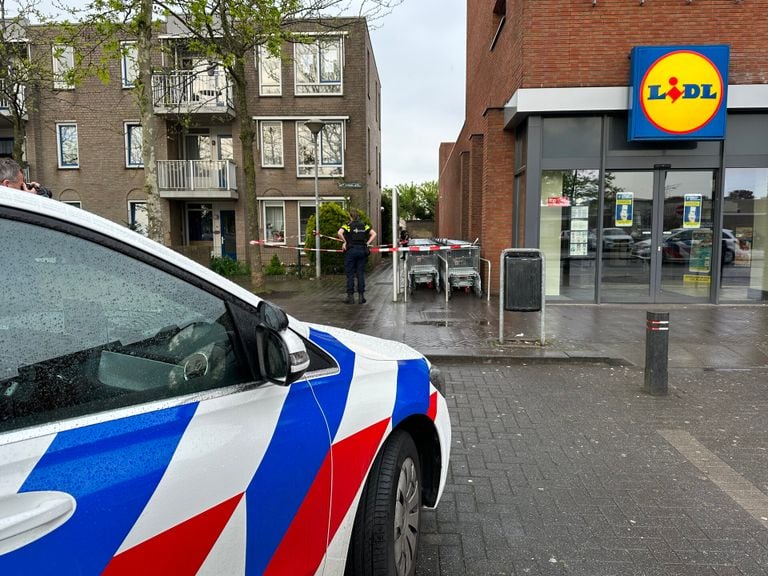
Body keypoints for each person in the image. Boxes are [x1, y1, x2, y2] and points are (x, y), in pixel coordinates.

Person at [338, 209, 377, 304]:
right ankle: (361, 297)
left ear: (350, 217)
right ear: (358, 216)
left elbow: (339, 233)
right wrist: (367, 243)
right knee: (360, 273)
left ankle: (350, 297)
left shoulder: (347, 225)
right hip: (362, 250)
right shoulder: (364, 225)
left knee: (350, 274)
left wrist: (345, 241)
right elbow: (374, 234)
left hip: (351, 250)